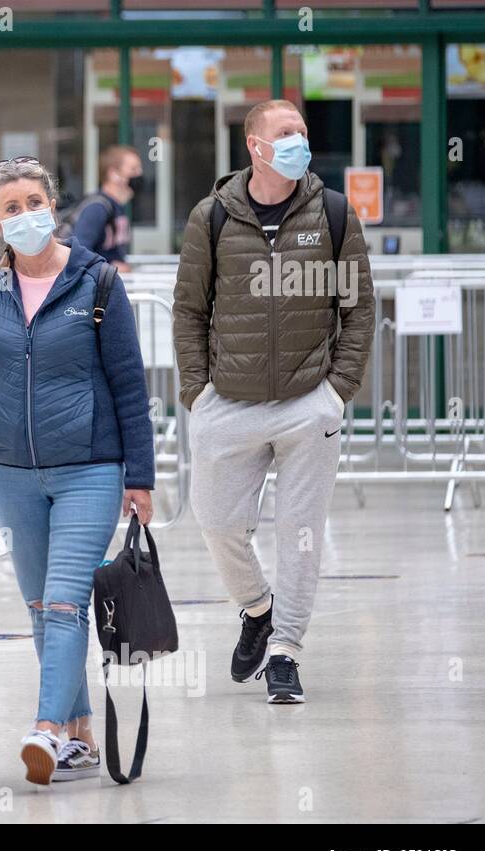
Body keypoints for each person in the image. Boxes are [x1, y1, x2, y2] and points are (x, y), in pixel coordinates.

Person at [0, 155, 155, 785]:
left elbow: (130, 384)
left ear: (54, 206)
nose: (24, 215)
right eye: (10, 208)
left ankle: (46, 727)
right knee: (41, 605)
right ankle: (78, 734)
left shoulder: (97, 282)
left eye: (33, 203)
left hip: (89, 469)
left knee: (68, 603)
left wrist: (141, 476)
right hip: (11, 470)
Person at [172, 99, 376, 704]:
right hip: (226, 403)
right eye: (285, 134)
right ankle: (256, 608)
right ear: (255, 146)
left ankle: (285, 650)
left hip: (307, 401)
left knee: (301, 531)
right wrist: (196, 393)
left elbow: (359, 308)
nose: (298, 143)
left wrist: (335, 393)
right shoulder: (211, 217)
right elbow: (189, 311)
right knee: (215, 520)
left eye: (303, 133)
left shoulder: (334, 212)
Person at [57, 144, 143, 272]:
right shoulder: (97, 208)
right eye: (133, 169)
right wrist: (110, 269)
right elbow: (79, 254)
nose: (139, 174)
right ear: (114, 174)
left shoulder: (116, 207)